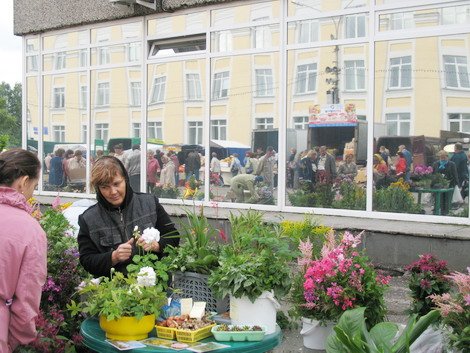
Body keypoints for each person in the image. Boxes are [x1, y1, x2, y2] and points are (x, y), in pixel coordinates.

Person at [77, 156, 179, 278]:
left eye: (116, 183)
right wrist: (113, 257)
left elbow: (174, 237)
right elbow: (87, 261)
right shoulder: (88, 219)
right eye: (105, 187)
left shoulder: (149, 203)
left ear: (125, 179)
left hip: (155, 288)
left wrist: (157, 245)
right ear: (98, 189)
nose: (113, 191)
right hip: (114, 292)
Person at [0, 149, 47, 353]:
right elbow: (27, 297)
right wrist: (15, 339)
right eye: (34, 187)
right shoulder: (29, 228)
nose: (32, 194)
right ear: (24, 181)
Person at [432, 150, 459, 215]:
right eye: (441, 157)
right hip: (437, 185)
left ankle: (445, 213)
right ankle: (436, 212)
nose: (443, 159)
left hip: (449, 185)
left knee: (447, 200)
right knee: (438, 199)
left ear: (447, 157)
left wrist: (456, 184)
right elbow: (433, 174)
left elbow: (455, 174)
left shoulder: (452, 164)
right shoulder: (436, 164)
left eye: (444, 157)